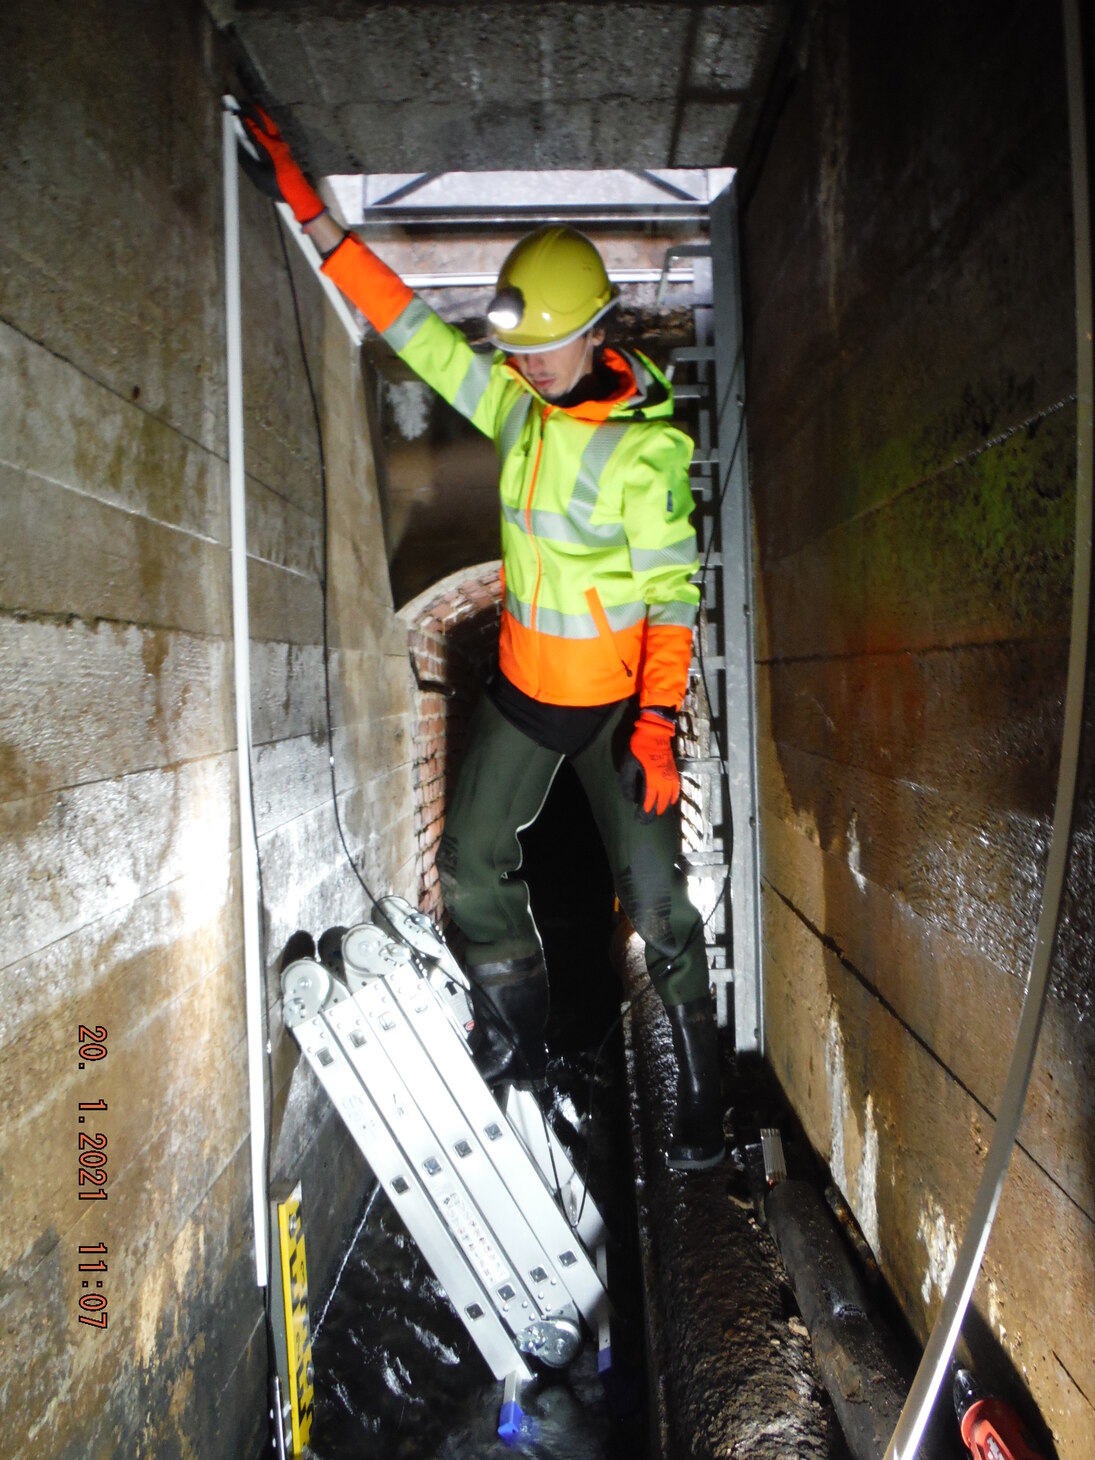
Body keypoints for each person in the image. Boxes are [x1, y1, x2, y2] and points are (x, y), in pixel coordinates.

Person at [240, 105, 725, 1170]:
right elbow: (412, 327)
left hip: (612, 715)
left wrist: (653, 724)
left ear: (597, 333)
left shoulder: (645, 456)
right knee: (468, 866)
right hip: (521, 692)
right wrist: (317, 219)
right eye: (520, 349)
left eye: (548, 347)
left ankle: (702, 1085)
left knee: (653, 897)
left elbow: (673, 599)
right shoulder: (516, 409)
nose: (532, 364)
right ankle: (517, 1041)